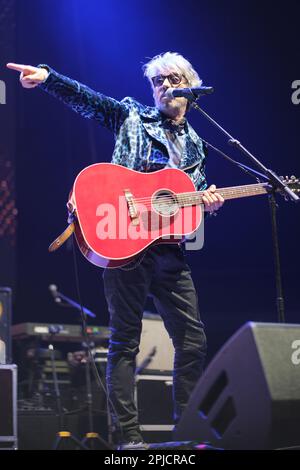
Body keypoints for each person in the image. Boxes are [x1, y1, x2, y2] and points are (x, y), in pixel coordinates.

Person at [7, 52, 224, 449]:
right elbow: (89, 99)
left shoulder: (197, 144)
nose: (163, 87)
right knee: (125, 341)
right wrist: (48, 76)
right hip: (124, 241)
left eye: (172, 79)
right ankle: (129, 440)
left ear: (190, 85)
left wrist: (205, 200)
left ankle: (189, 432)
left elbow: (185, 201)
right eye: (157, 82)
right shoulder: (132, 116)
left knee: (193, 340)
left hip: (169, 251)